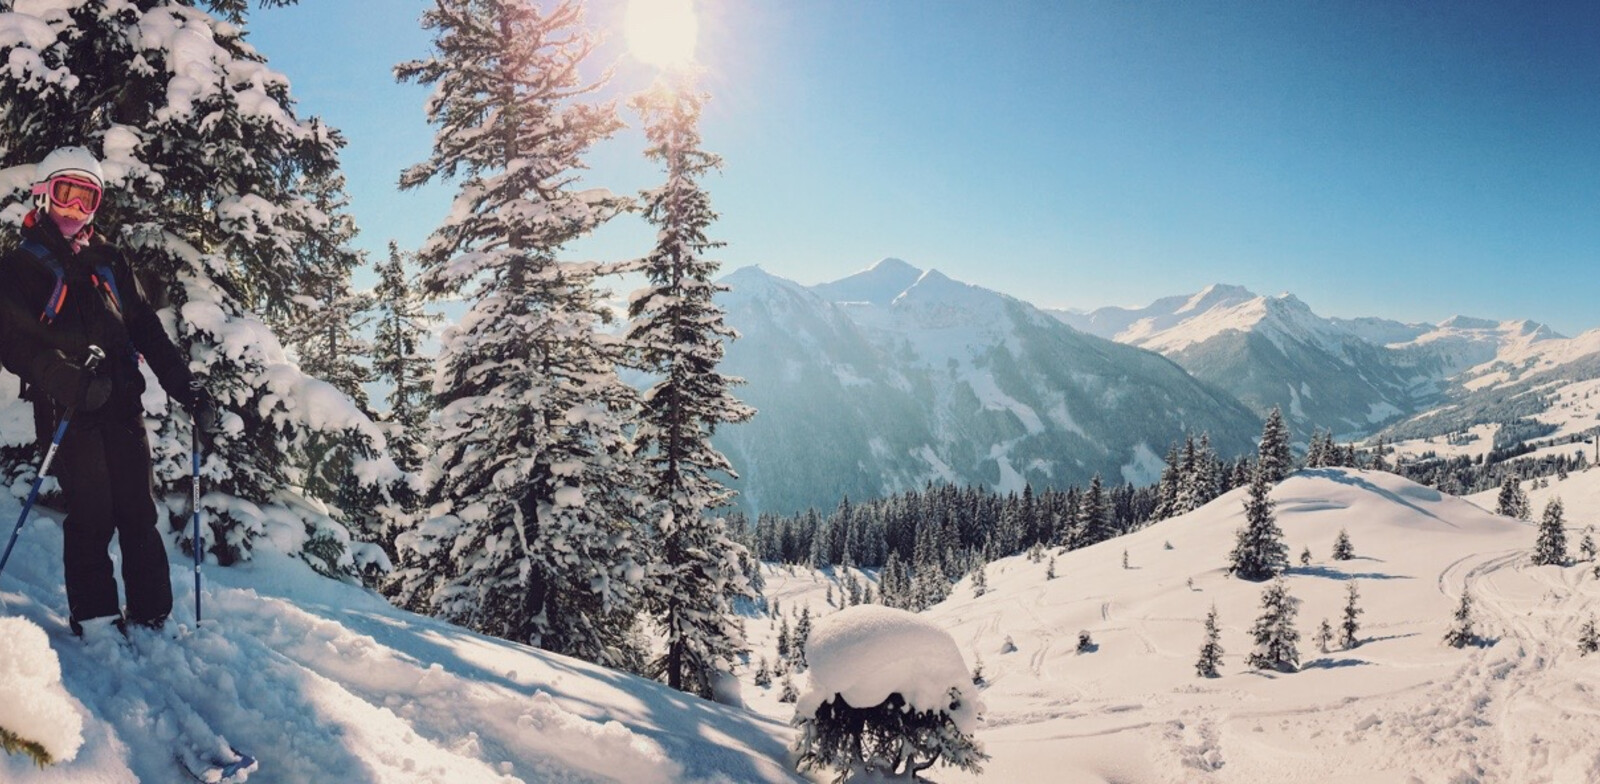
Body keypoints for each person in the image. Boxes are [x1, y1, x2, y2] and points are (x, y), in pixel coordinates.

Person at [0, 146, 214, 636]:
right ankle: (96, 621)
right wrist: (61, 377)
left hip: (121, 402)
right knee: (93, 512)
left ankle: (151, 614)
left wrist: (187, 389)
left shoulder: (110, 260)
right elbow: (11, 341)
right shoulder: (19, 266)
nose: (74, 209)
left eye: (87, 198)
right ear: (43, 195)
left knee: (138, 510)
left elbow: (146, 330)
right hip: (69, 405)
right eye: (65, 194)